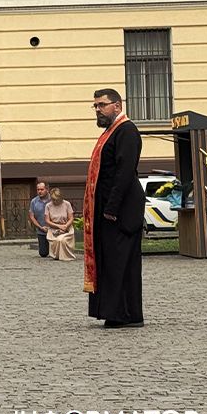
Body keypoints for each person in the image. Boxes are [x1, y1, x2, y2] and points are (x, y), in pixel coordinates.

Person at [84, 88, 145, 328]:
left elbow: (124, 172)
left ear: (117, 106)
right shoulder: (111, 132)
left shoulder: (127, 131)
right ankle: (113, 311)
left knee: (121, 263)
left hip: (120, 213)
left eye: (102, 105)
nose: (98, 110)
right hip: (108, 211)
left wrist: (111, 208)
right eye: (95, 106)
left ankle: (125, 314)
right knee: (110, 262)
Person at [45, 187, 76, 261]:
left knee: (61, 239)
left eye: (56, 199)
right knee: (58, 239)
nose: (55, 201)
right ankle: (57, 255)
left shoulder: (67, 204)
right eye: (53, 199)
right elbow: (47, 220)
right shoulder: (48, 206)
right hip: (53, 228)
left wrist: (65, 226)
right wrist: (58, 226)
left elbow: (71, 218)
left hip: (66, 227)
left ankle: (66, 256)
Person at [28, 181, 50, 258]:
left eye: (42, 189)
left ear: (47, 190)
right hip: (41, 230)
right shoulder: (34, 201)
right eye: (38, 190)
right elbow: (32, 216)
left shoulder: (52, 200)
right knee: (43, 253)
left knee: (55, 253)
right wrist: (40, 227)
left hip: (53, 229)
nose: (39, 191)